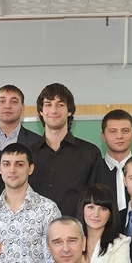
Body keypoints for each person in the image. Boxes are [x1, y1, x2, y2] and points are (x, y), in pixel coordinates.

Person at [0, 143, 61, 263]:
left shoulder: (47, 209)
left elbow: (54, 258)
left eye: (19, 164)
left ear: (30, 169)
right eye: (7, 164)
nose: (12, 170)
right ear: (0, 168)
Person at [29, 83, 103, 216]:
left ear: (70, 111)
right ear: (41, 111)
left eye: (60, 104)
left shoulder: (90, 153)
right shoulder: (27, 155)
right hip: (34, 228)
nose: (53, 110)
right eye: (48, 104)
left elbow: (95, 201)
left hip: (75, 227)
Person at [78, 184, 130, 263]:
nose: (96, 214)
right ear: (82, 209)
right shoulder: (71, 239)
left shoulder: (120, 243)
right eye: (91, 207)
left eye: (103, 209)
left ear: (110, 214)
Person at [0, 84, 43, 151]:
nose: (7, 106)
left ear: (22, 108)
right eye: (2, 101)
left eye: (14, 102)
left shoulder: (37, 142)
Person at [97, 109, 132, 212]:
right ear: (103, 136)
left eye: (125, 131)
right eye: (113, 131)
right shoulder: (94, 171)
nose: (119, 136)